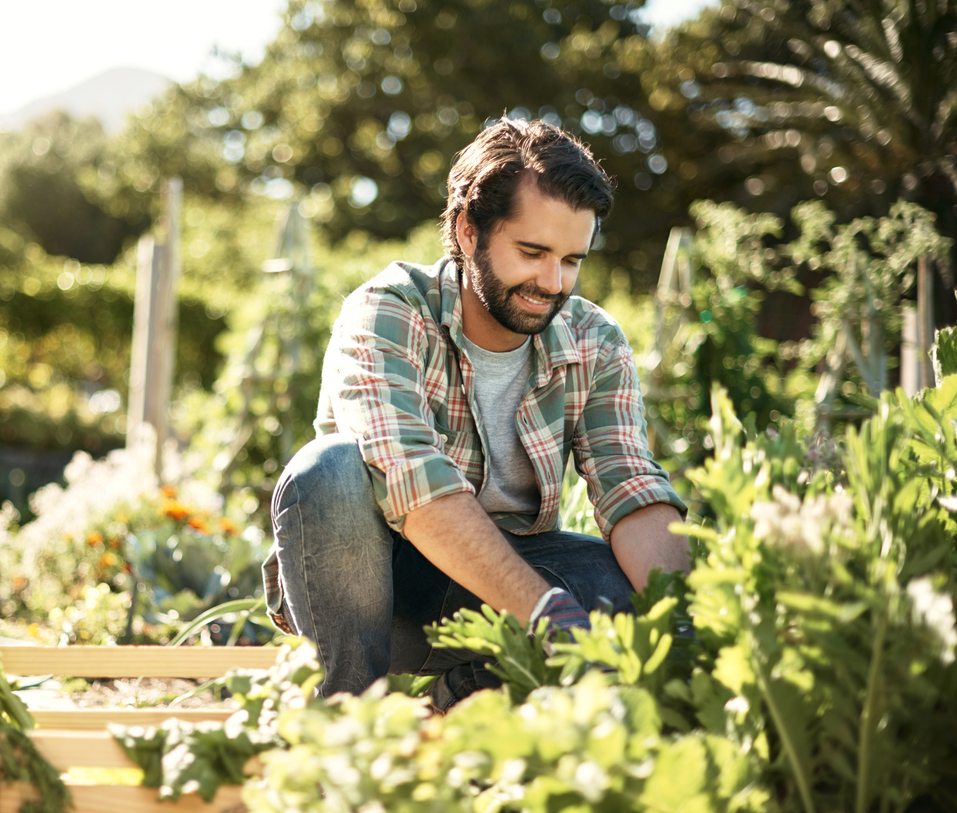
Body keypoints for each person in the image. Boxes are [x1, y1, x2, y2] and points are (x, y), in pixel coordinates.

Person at [262, 117, 690, 711]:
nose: (552, 281)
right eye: (532, 252)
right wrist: (544, 610)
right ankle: (346, 715)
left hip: (499, 589)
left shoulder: (595, 339)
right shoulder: (388, 312)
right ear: (468, 231)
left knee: (619, 581)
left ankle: (466, 693)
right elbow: (416, 483)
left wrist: (690, 621)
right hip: (379, 596)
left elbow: (630, 484)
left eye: (572, 259)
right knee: (328, 471)